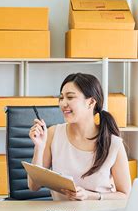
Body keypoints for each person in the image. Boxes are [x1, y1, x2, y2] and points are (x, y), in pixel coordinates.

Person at [28, 73, 131, 201]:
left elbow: (125, 195)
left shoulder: (113, 143)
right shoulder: (53, 134)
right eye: (61, 98)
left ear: (91, 102)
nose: (63, 103)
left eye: (70, 97)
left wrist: (90, 195)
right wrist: (39, 147)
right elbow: (33, 186)